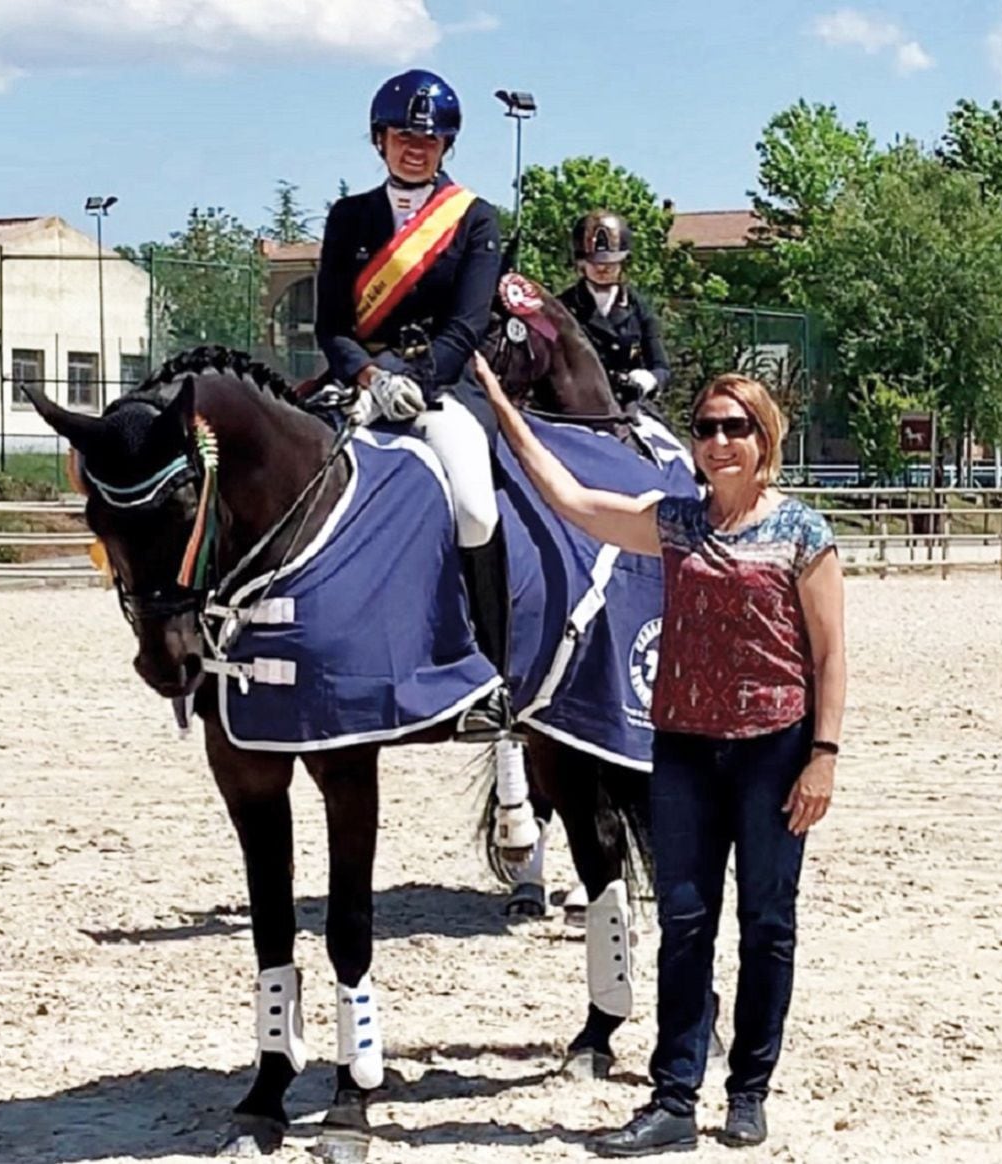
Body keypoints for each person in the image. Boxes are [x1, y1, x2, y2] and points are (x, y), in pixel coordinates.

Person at [474, 353, 846, 1156]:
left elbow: (830, 655)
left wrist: (823, 755)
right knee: (684, 924)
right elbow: (575, 503)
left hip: (774, 750)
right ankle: (674, 1095)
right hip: (680, 748)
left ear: (762, 439)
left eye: (734, 428)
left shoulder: (803, 533)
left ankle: (749, 1090)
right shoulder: (677, 520)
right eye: (707, 428)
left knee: (766, 924)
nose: (718, 442)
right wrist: (504, 407)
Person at [314, 68, 511, 744]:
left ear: (446, 145)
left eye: (428, 139)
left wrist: (416, 381)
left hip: (443, 387)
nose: (415, 148)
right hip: (364, 383)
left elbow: (468, 325)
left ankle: (491, 672)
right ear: (380, 140)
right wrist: (369, 376)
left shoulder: (476, 220)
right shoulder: (350, 217)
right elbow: (330, 326)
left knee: (475, 506)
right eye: (403, 136)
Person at [559, 212, 671, 411]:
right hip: (575, 407)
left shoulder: (639, 308)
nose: (602, 268)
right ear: (581, 263)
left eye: (611, 263)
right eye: (594, 262)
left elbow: (661, 366)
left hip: (628, 404)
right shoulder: (563, 307)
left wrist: (649, 379)